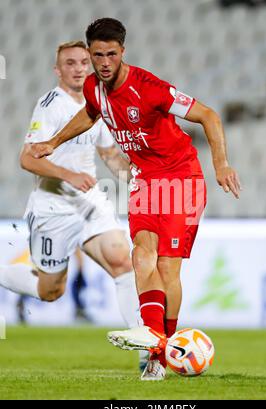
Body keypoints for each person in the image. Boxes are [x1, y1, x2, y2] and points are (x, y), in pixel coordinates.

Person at [29, 19, 242, 381]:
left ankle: (167, 343)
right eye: (97, 55)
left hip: (181, 178)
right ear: (91, 53)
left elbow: (208, 115)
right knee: (140, 257)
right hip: (144, 180)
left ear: (122, 52)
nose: (104, 62)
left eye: (111, 54)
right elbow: (90, 113)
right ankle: (157, 353)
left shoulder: (150, 88)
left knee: (167, 269)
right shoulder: (95, 85)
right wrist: (53, 142)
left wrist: (220, 164)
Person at [0, 40, 148, 371]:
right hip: (53, 206)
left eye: (84, 62)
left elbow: (109, 153)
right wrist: (68, 174)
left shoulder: (101, 102)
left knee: (123, 262)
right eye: (70, 63)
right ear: (58, 70)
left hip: (89, 200)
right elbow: (27, 158)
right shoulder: (50, 105)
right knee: (50, 290)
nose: (79, 68)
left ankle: (144, 350)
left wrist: (135, 180)